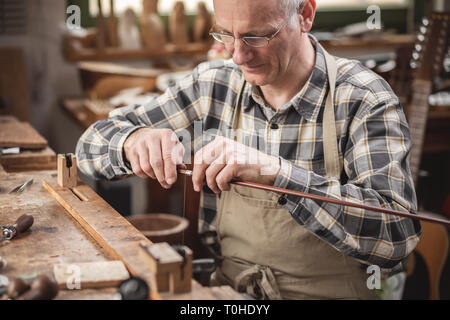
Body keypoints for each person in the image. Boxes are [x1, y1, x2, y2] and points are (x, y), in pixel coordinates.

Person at [76, 0, 421, 300]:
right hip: (232, 293)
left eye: (257, 36)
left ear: (305, 14)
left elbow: (396, 237)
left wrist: (279, 175)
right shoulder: (213, 85)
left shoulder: (364, 99)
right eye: (226, 33)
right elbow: (90, 145)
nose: (238, 55)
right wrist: (132, 140)